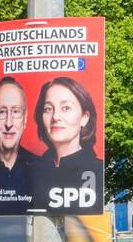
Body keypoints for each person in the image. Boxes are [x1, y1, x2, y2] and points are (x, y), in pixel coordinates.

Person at [28, 76, 104, 211]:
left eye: (66, 108)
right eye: (48, 109)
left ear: (84, 118)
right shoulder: (29, 171)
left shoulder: (99, 171)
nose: (55, 117)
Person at [0, 75, 38, 214]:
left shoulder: (41, 167)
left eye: (15, 111)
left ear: (25, 119)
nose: (8, 123)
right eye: (2, 112)